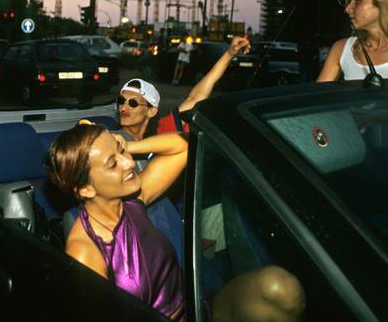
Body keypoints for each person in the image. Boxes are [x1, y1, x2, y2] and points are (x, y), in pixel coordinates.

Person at [46, 122, 306, 321]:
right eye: (113, 163)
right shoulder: (84, 251)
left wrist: (128, 146)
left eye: (120, 151)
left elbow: (182, 146)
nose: (128, 164)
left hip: (197, 307)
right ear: (86, 190)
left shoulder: (133, 199)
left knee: (282, 288)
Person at [119, 35, 250, 143]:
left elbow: (195, 97)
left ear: (152, 111)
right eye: (121, 101)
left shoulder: (162, 132)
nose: (123, 108)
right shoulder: (107, 136)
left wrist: (229, 54)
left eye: (133, 103)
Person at [318, 0, 388, 81]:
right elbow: (320, 96)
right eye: (349, 1)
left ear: (383, 2)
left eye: (357, 1)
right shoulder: (341, 49)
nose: (347, 9)